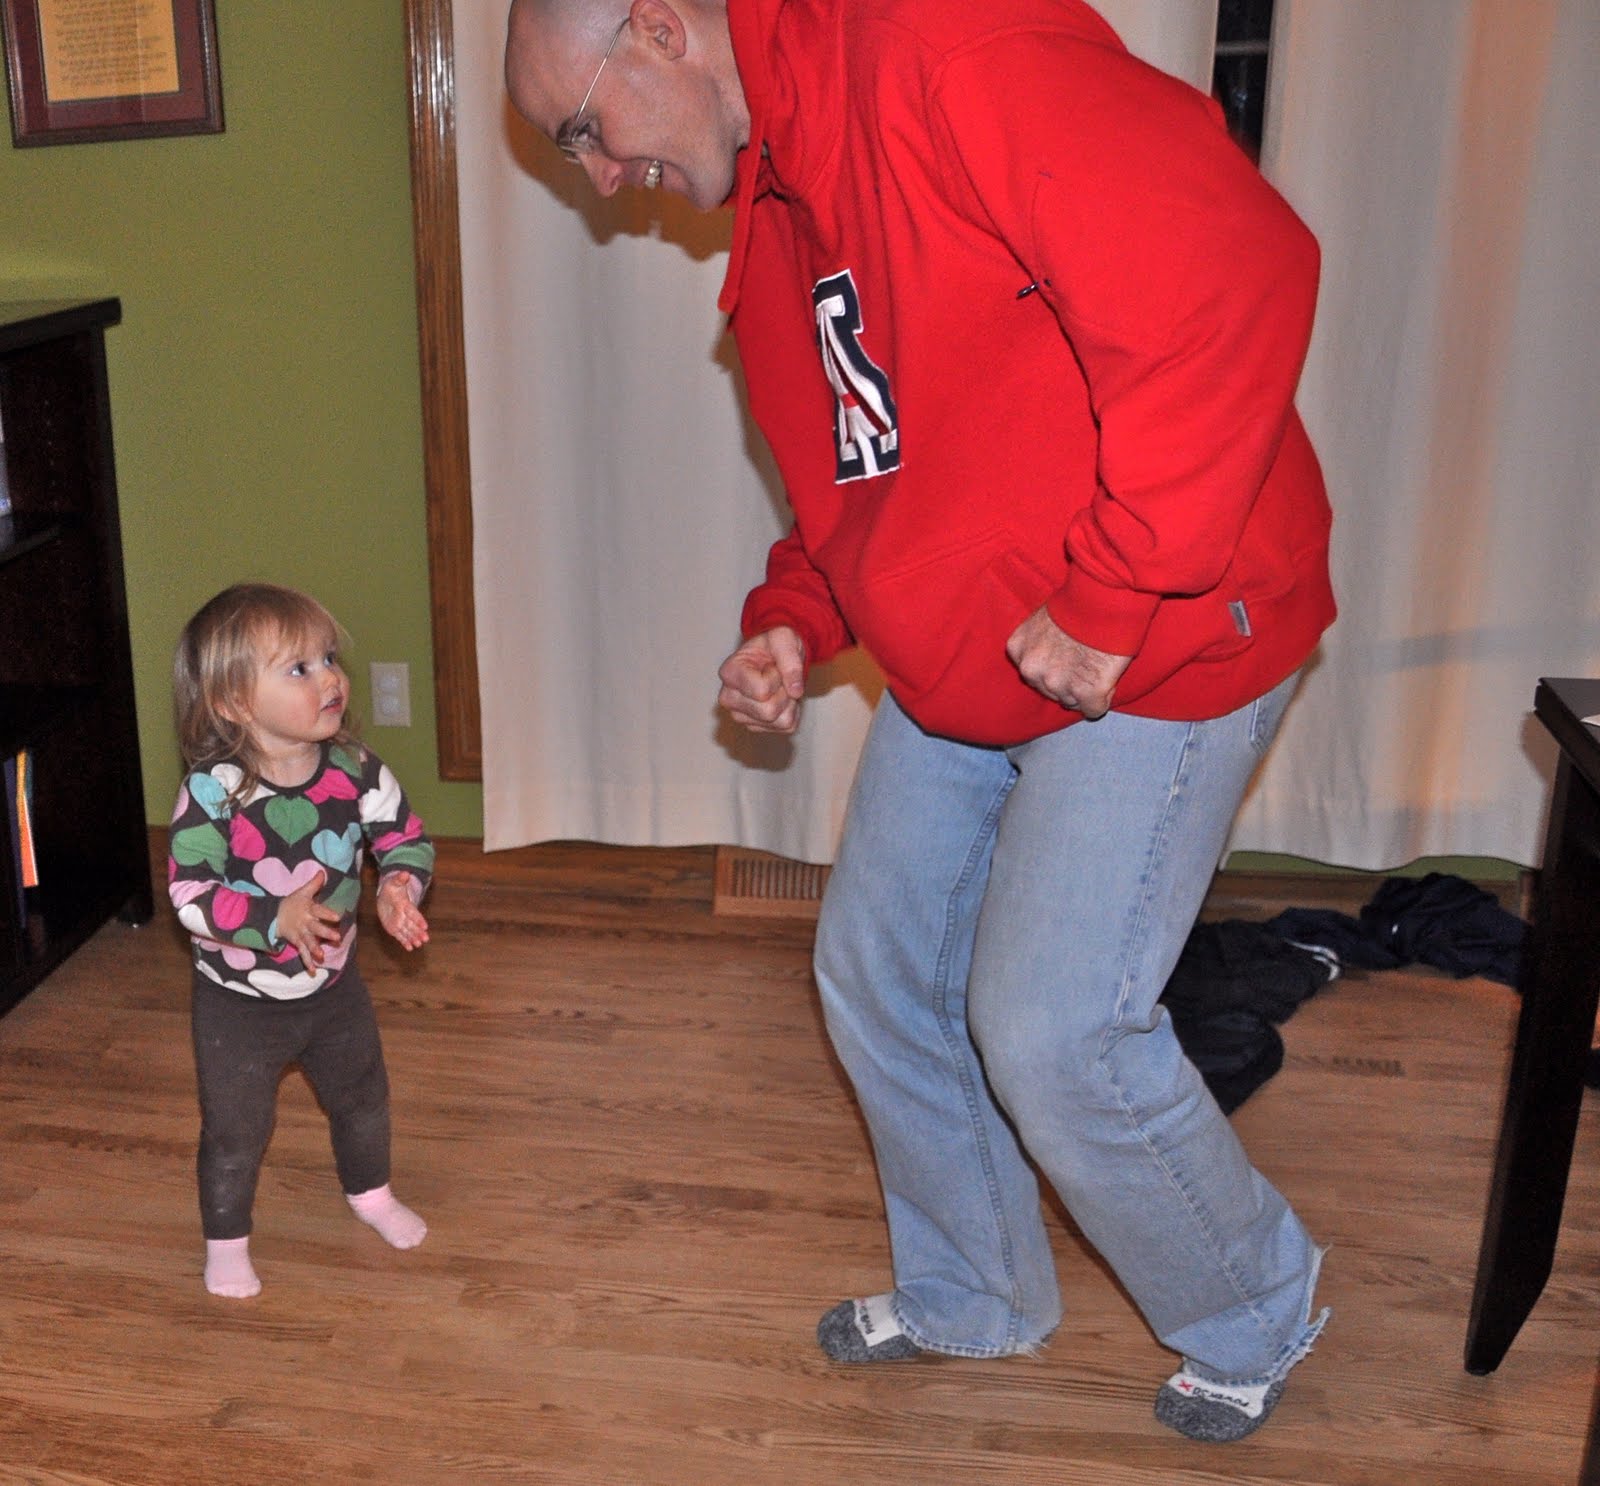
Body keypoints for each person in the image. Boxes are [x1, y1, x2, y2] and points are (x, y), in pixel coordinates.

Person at [506, 0, 1335, 1442]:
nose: (596, 175)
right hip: (979, 659)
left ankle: (1254, 1307)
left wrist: (1114, 590)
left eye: (582, 127)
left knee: (1054, 1029)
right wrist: (795, 616)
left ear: (658, 30)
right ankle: (978, 1289)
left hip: (1160, 636)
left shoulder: (939, 47)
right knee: (877, 967)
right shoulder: (779, 207)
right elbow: (869, 472)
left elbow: (1234, 269)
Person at [169, 583, 435, 1298]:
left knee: (363, 1097)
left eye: (329, 658)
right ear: (234, 702)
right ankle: (227, 1241)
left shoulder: (356, 770)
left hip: (334, 989)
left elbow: (404, 839)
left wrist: (397, 886)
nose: (330, 678)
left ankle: (371, 1194)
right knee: (235, 1131)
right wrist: (272, 919)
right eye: (299, 668)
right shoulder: (214, 791)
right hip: (237, 1004)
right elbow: (189, 894)